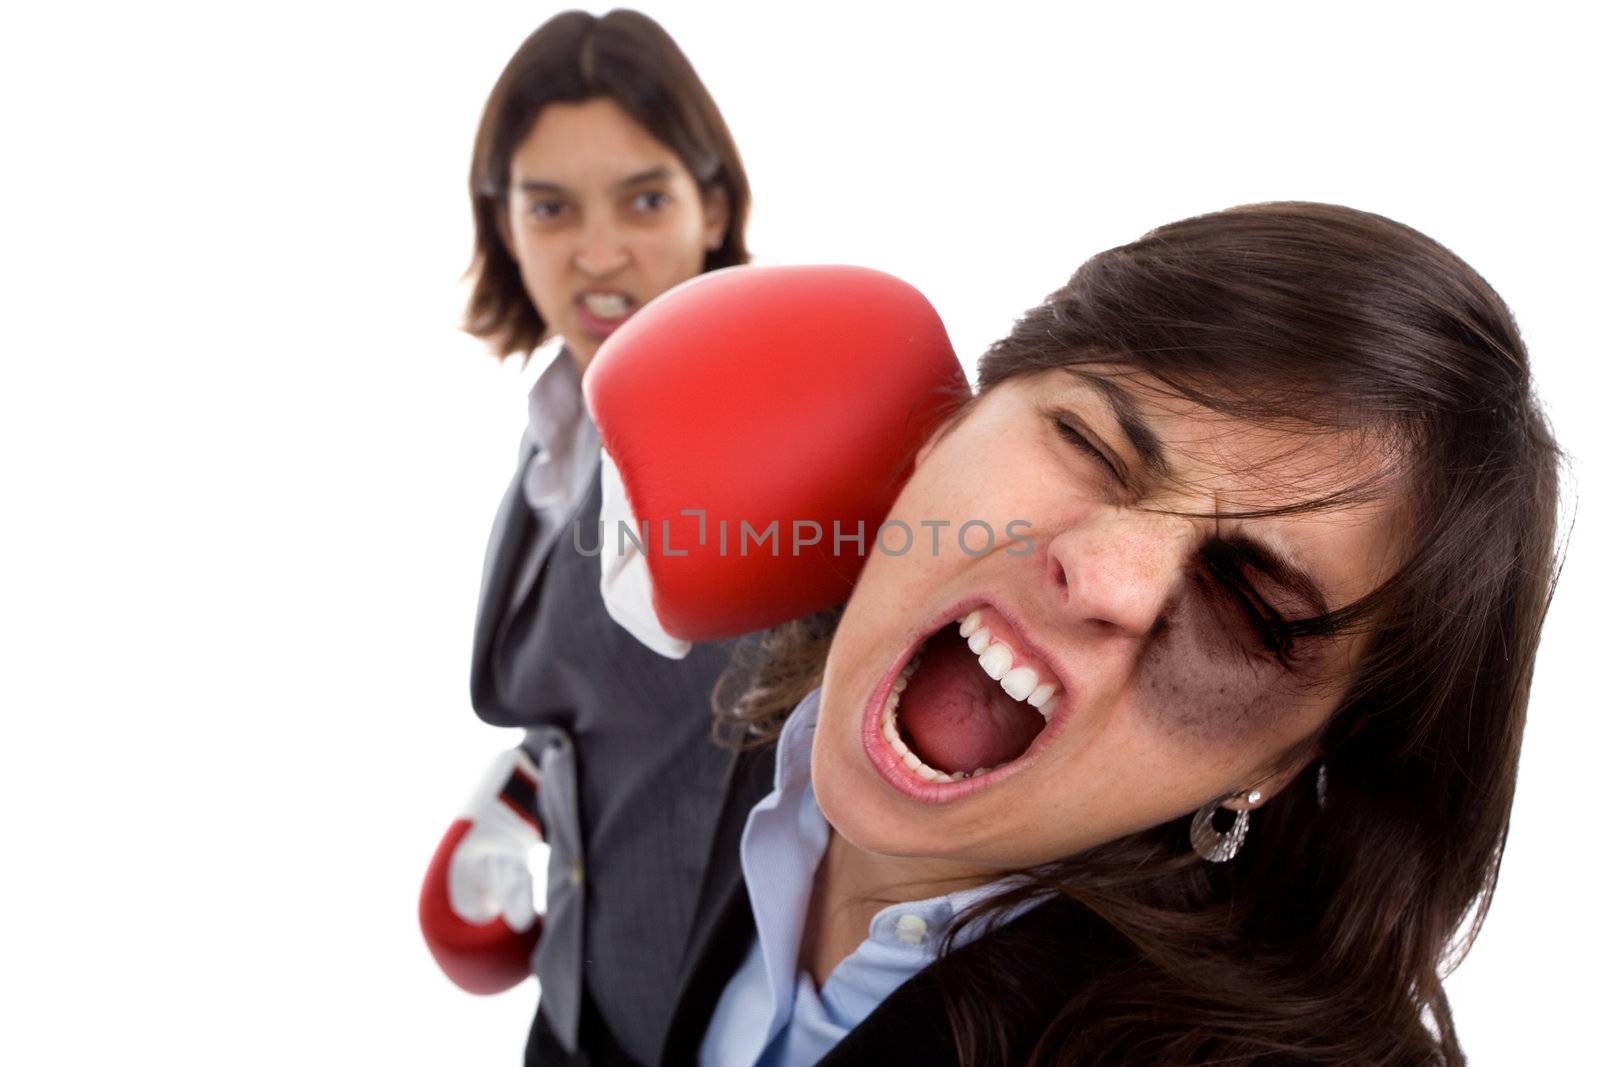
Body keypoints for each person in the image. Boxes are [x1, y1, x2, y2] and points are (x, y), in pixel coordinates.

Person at [595, 203, 1560, 1064]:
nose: (1104, 575)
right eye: (1090, 444)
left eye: (1250, 607)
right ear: (950, 425)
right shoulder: (718, 715)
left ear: (1281, 760)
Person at [418, 10, 755, 1066]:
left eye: (644, 198)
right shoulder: (558, 419)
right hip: (577, 997)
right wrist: (531, 783)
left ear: (712, 204)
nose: (598, 253)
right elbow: (611, 676)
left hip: (709, 1020)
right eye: (551, 207)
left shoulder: (771, 420)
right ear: (503, 223)